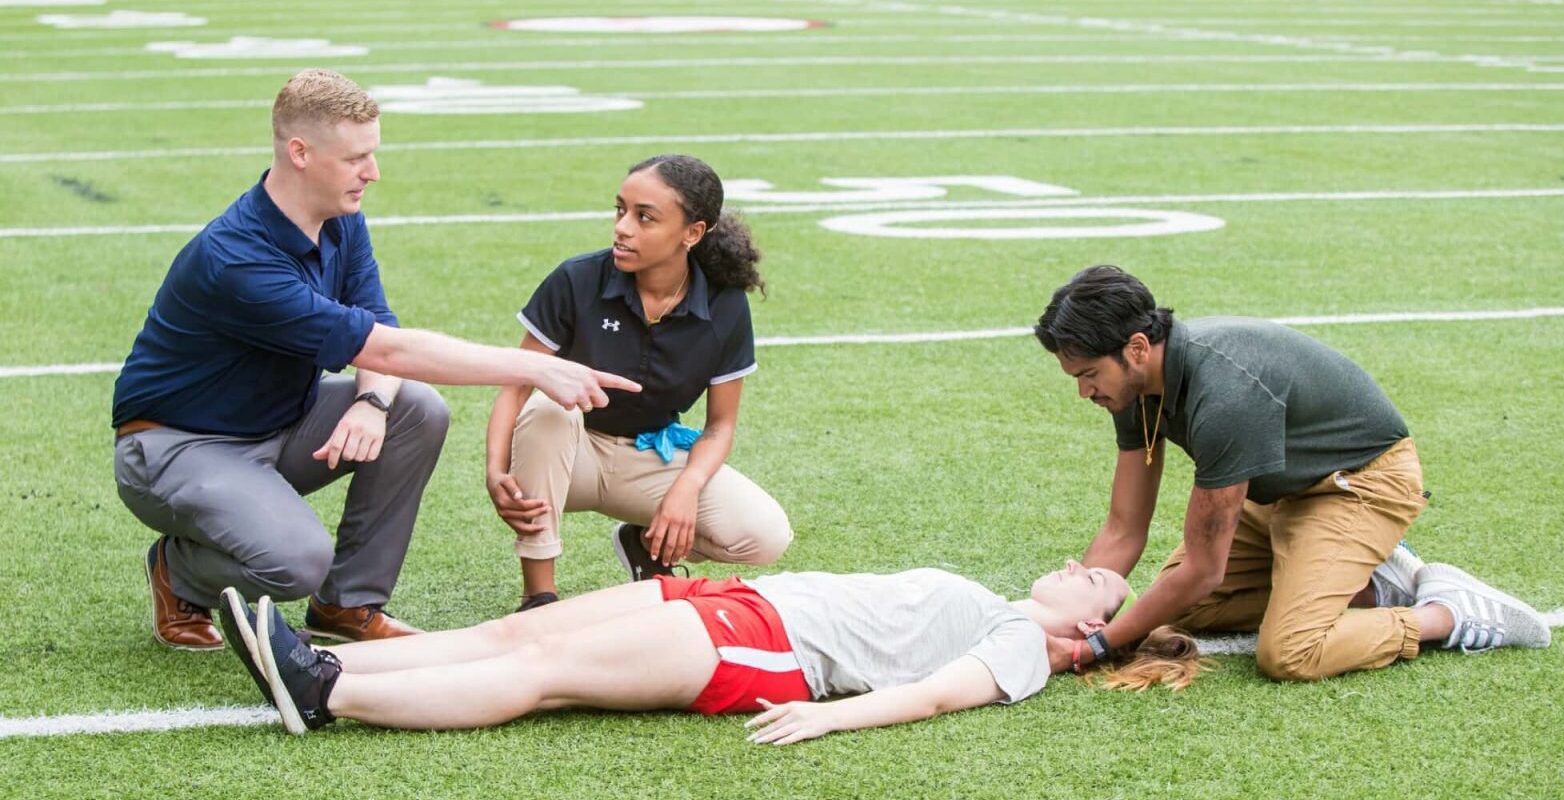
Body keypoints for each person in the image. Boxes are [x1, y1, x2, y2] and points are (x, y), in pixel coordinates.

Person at [111, 69, 639, 651]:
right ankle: (179, 572)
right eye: (357, 158)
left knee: (415, 408)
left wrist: (369, 400)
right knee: (295, 562)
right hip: (176, 446)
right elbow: (386, 347)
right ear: (300, 152)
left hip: (276, 423)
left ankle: (347, 605)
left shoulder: (342, 220)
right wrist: (536, 366)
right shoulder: (237, 260)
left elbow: (379, 327)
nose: (374, 172)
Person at [1034, 265, 1550, 682]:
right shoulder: (1130, 388)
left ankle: (1448, 613)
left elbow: (1204, 568)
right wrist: (1077, 619)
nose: (1084, 392)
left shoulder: (1225, 396)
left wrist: (1093, 646)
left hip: (1359, 484)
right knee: (1180, 609)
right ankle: (1370, 588)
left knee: (1291, 652)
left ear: (1138, 348)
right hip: (1282, 494)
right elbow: (1125, 528)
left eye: (1087, 375)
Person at [217, 558, 1156, 738]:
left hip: (766, 645)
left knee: (541, 677)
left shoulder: (1026, 650)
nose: (1082, 565)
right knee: (513, 632)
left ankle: (329, 695)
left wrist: (829, 721)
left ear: (1089, 630)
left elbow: (940, 695)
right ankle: (302, 657)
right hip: (739, 600)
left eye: (1099, 582)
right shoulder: (999, 602)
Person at [484, 154, 791, 612]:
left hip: (648, 457)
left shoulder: (725, 306)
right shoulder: (577, 279)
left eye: (644, 217)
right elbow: (517, 385)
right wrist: (494, 470)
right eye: (620, 210)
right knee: (551, 408)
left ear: (693, 233)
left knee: (764, 536)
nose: (622, 228)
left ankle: (645, 544)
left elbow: (719, 426)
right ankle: (539, 595)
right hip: (567, 456)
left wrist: (685, 490)